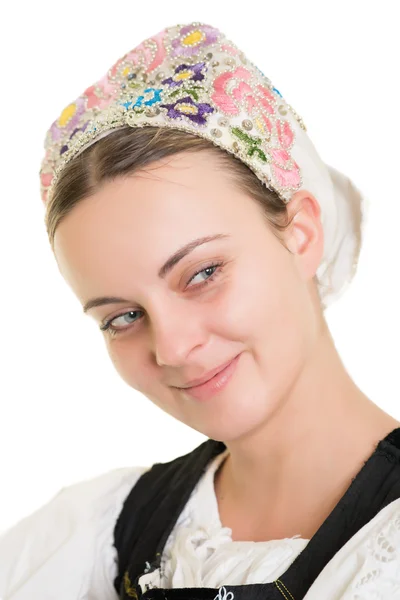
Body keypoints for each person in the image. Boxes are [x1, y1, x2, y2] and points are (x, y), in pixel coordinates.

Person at [1, 20, 400, 600]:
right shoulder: (96, 536)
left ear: (302, 235)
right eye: (122, 317)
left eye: (203, 273)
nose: (172, 348)